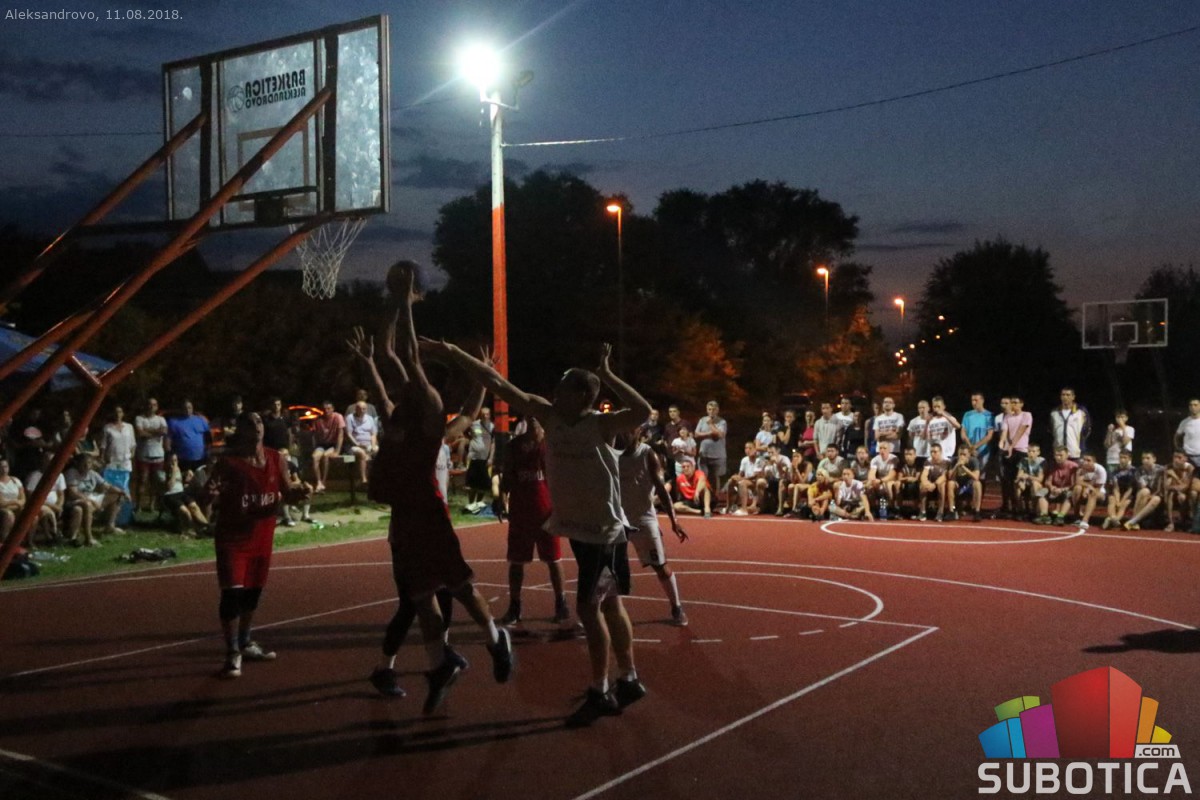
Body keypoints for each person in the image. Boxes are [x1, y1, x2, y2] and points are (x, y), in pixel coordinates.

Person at [429, 333, 652, 727]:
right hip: (582, 532)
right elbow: (498, 383)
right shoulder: (550, 417)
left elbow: (643, 410)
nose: (554, 391)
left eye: (563, 387)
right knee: (610, 605)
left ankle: (600, 691)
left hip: (603, 534)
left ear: (581, 395)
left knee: (590, 609)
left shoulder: (601, 425)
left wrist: (607, 375)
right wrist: (453, 351)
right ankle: (629, 679)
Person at [366, 264, 515, 713]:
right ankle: (439, 667)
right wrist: (393, 306)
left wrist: (406, 301)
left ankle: (495, 639)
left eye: (410, 374)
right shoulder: (395, 412)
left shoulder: (430, 409)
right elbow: (386, 353)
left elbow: (408, 355)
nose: (402, 375)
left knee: (459, 586)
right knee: (420, 599)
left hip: (428, 512)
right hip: (404, 516)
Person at [345, 324, 489, 700]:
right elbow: (383, 394)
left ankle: (440, 657)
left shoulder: (440, 436)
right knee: (412, 604)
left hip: (431, 525)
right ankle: (386, 667)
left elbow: (470, 412)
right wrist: (371, 362)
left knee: (442, 598)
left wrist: (482, 378)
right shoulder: (413, 435)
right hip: (407, 528)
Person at [206, 411, 310, 679]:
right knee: (232, 595)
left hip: (262, 538)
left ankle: (245, 641)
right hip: (233, 538)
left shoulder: (276, 458)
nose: (257, 426)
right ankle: (232, 652)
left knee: (252, 594)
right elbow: (206, 494)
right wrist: (210, 495)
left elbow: (288, 492)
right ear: (240, 430)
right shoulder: (228, 462)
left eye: (259, 422)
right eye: (250, 423)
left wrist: (301, 492)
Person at [497, 416, 569, 627]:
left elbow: (562, 478)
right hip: (520, 512)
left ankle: (561, 603)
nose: (535, 422)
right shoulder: (514, 446)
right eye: (532, 418)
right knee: (516, 561)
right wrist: (501, 498)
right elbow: (507, 476)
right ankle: (515, 606)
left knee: (554, 559)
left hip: (546, 513)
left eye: (539, 418)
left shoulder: (552, 445)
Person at [617, 427, 690, 626]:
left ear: (638, 431)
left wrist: (674, 521)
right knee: (607, 569)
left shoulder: (647, 454)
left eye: (629, 429)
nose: (624, 433)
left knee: (660, 566)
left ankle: (676, 607)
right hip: (618, 518)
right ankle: (600, 613)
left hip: (643, 518)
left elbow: (661, 490)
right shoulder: (614, 453)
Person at [64, 452, 129, 545]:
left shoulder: (92, 473)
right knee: (86, 505)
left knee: (117, 496)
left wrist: (122, 492)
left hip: (91, 497)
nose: (87, 466)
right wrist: (91, 501)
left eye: (89, 463)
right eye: (84, 464)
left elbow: (107, 486)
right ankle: (89, 538)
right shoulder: (72, 473)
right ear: (78, 463)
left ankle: (110, 526)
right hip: (75, 500)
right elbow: (73, 493)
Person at [997, 395, 1032, 519]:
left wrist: (1012, 445)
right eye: (1012, 402)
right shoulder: (1007, 417)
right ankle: (1013, 507)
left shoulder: (1026, 415)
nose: (1013, 405)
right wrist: (1002, 444)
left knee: (1020, 480)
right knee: (1009, 480)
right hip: (1010, 451)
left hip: (1021, 451)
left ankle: (1024, 508)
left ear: (1021, 404)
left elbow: (1021, 431)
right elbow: (1004, 433)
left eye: (1016, 402)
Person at [133, 397, 168, 514]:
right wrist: (156, 431)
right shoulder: (139, 418)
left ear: (157, 407)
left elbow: (164, 431)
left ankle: (151, 505)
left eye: (154, 404)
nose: (151, 406)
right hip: (143, 454)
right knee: (142, 480)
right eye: (149, 404)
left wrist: (147, 431)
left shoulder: (161, 419)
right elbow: (140, 433)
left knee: (155, 482)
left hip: (158, 455)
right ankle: (138, 505)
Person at [161, 452, 209, 537]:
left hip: (181, 493)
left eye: (176, 460)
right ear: (167, 461)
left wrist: (187, 476)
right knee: (185, 512)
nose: (174, 463)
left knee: (194, 507)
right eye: (172, 461)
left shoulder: (179, 469)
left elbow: (184, 481)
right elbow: (169, 487)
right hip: (170, 496)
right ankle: (190, 529)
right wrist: (173, 472)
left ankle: (207, 527)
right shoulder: (162, 472)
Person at [1123, 451, 1166, 531]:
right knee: (1145, 491)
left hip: (1157, 495)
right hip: (1143, 496)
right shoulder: (1138, 471)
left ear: (1154, 459)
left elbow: (1161, 487)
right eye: (1143, 458)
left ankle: (1133, 521)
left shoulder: (1161, 470)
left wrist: (1154, 494)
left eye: (1148, 458)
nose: (1145, 460)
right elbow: (1142, 486)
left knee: (1156, 499)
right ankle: (1134, 522)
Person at [310, 400, 345, 494]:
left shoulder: (338, 417)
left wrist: (337, 451)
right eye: (324, 409)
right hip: (322, 444)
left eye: (329, 409)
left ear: (333, 409)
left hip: (333, 444)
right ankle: (318, 482)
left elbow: (341, 435)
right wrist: (314, 447)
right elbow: (314, 435)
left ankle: (324, 482)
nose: (326, 411)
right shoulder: (317, 420)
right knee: (314, 457)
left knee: (326, 456)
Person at [695, 400, 728, 499]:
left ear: (717, 410)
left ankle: (715, 499)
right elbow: (696, 434)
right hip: (703, 454)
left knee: (715, 478)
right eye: (709, 409)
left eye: (713, 409)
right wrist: (709, 434)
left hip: (717, 455)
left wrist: (710, 424)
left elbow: (720, 435)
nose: (711, 411)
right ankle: (703, 498)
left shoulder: (722, 422)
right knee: (702, 477)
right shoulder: (702, 420)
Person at [167, 399, 211, 473]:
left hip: (200, 458)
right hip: (183, 459)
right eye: (185, 408)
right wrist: (170, 454)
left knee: (200, 478)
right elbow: (168, 440)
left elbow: (208, 437)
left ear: (192, 408)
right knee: (186, 478)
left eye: (189, 407)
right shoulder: (173, 422)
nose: (187, 410)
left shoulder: (201, 420)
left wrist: (208, 450)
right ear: (181, 409)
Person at [464, 408, 495, 511]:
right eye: (483, 414)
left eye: (487, 414)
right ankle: (471, 504)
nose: (485, 416)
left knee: (483, 484)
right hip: (473, 458)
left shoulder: (492, 427)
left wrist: (491, 457)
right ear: (480, 415)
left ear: (489, 415)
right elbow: (465, 432)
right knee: (472, 484)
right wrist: (471, 440)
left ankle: (478, 503)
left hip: (485, 459)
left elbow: (493, 443)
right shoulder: (474, 424)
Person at [1040, 447, 1079, 526]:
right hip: (1054, 490)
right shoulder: (1052, 465)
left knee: (1070, 494)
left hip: (1066, 490)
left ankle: (1060, 517)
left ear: (1067, 455)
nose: (1058, 457)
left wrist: (1062, 489)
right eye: (1056, 455)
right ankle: (1044, 516)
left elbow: (1073, 484)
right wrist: (1051, 487)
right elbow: (1048, 481)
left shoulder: (1073, 466)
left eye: (1061, 455)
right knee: (1042, 492)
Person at [346, 401, 379, 486]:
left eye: (364, 409)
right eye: (360, 409)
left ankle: (377, 478)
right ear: (356, 409)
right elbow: (349, 434)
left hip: (368, 444)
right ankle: (363, 479)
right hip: (355, 445)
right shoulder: (350, 418)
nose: (362, 411)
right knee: (362, 453)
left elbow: (373, 434)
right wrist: (357, 444)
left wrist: (373, 445)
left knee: (378, 451)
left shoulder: (370, 418)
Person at [1050, 387, 1090, 461]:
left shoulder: (1081, 412)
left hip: (1075, 452)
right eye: (1063, 395)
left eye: (1068, 395)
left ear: (1073, 397)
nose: (1065, 397)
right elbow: (1051, 430)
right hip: (1059, 452)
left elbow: (1087, 429)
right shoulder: (1054, 412)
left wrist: (1081, 443)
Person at [725, 441, 763, 516]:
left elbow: (756, 475)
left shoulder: (760, 460)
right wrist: (735, 478)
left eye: (750, 448)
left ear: (755, 449)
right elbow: (740, 474)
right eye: (746, 448)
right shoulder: (744, 460)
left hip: (756, 481)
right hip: (747, 480)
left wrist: (742, 479)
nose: (747, 450)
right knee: (730, 482)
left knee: (742, 483)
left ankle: (744, 509)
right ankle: (728, 507)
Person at [1102, 450, 1137, 530]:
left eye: (1125, 458)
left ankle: (1114, 519)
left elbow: (1130, 489)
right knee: (1111, 499)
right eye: (1121, 458)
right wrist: (1118, 501)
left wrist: (1122, 501)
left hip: (1128, 494)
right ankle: (1112, 517)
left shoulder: (1133, 471)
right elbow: (1116, 488)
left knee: (1125, 503)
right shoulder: (1115, 471)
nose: (1122, 460)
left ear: (1129, 459)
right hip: (1117, 492)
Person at [1162, 451, 1196, 533]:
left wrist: (1174, 476)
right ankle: (1171, 523)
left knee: (1182, 497)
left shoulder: (1190, 468)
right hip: (1173, 493)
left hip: (1187, 493)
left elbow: (1185, 487)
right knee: (1170, 493)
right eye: (1175, 457)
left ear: (1185, 459)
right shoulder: (1168, 467)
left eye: (1179, 457)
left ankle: (1187, 521)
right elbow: (1166, 486)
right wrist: (1176, 486)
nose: (1176, 460)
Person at [1072, 453, 1108, 530]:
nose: (1085, 462)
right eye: (1084, 460)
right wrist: (1088, 487)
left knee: (1093, 493)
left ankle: (1085, 520)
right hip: (1086, 489)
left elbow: (1098, 488)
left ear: (1094, 462)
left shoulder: (1100, 470)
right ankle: (1076, 517)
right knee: (1077, 488)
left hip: (1100, 492)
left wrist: (1088, 489)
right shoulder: (1081, 468)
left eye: (1088, 460)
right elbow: (1078, 481)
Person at [949, 445, 983, 522]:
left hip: (969, 485)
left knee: (978, 484)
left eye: (964, 454)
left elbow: (976, 477)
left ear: (969, 455)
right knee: (950, 483)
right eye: (960, 454)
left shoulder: (974, 461)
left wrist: (963, 467)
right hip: (958, 485)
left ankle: (977, 511)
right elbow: (950, 477)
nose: (962, 456)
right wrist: (956, 466)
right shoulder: (954, 461)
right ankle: (951, 511)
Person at [919, 443, 950, 522]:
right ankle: (923, 511)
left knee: (941, 485)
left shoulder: (947, 462)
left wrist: (935, 484)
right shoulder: (928, 461)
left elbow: (944, 476)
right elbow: (924, 475)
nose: (933, 454)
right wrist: (926, 483)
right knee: (922, 485)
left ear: (940, 452)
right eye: (931, 452)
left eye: (935, 452)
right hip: (931, 482)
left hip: (941, 483)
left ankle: (940, 512)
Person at [1015, 443, 1046, 521]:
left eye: (1033, 451)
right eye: (1029, 451)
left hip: (1039, 485)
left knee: (1034, 484)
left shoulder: (1042, 461)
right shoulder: (1023, 461)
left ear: (1038, 452)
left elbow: (1040, 479)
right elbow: (1019, 475)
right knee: (1018, 484)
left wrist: (1028, 476)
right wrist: (1021, 480)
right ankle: (1020, 511)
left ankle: (1034, 511)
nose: (1031, 453)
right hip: (1027, 483)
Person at [0, 457, 27, 546]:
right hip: (3, 509)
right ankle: (6, 542)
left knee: (30, 515)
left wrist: (16, 503)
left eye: (5, 466)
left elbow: (23, 499)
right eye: (1, 467)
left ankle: (27, 541)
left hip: (14, 506)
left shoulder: (15, 481)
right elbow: (1, 503)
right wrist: (16, 502)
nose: (4, 469)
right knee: (9, 515)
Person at [1104, 410, 1135, 475]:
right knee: (1112, 479)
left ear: (1126, 418)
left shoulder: (1130, 429)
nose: (1120, 419)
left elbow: (1125, 442)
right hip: (1111, 459)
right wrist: (1109, 432)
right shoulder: (1113, 430)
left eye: (1122, 417)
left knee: (1124, 479)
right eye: (1118, 417)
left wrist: (1123, 426)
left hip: (1123, 460)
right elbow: (1107, 445)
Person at [1175, 398, 1200, 470]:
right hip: (1188, 456)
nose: (1193, 407)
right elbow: (1177, 436)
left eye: (1195, 405)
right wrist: (1178, 449)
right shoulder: (1184, 422)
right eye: (1191, 405)